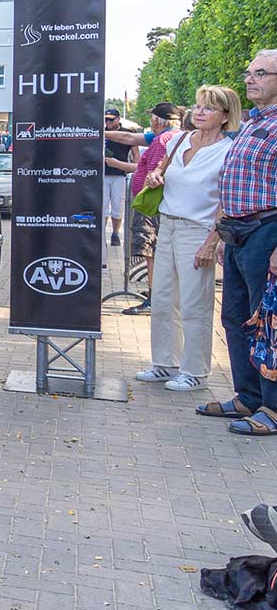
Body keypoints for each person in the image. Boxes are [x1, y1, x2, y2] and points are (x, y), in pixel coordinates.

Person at [132, 87, 240, 392]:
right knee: (163, 298)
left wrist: (212, 241)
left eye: (209, 108)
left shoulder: (229, 150)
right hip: (167, 224)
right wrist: (155, 176)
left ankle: (195, 371)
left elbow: (226, 200)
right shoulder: (180, 140)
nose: (200, 112)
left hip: (198, 229)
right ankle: (165, 363)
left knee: (195, 303)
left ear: (225, 116)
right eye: (198, 105)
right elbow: (160, 169)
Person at [198, 50, 277, 433]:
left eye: (260, 73)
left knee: (268, 322)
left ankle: (272, 409)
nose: (249, 79)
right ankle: (248, 397)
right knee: (235, 317)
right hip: (238, 232)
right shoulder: (253, 122)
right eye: (249, 72)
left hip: (267, 231)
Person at [110, 101, 181, 315]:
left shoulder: (162, 140)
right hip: (159, 205)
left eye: (152, 118)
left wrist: (118, 165)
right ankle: (157, 296)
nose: (150, 122)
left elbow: (154, 173)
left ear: (158, 121)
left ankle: (154, 299)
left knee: (151, 251)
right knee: (155, 252)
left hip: (152, 206)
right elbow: (128, 138)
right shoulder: (172, 136)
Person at [103, 106, 139, 249]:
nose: (108, 122)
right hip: (103, 174)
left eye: (111, 120)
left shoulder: (127, 133)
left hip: (119, 175)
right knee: (103, 206)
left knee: (118, 206)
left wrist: (138, 171)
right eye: (106, 119)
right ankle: (102, 235)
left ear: (118, 119)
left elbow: (136, 154)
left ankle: (115, 233)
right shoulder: (102, 132)